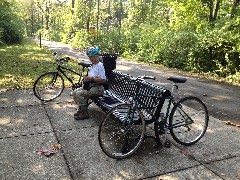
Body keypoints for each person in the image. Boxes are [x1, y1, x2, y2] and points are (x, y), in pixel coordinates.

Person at [72, 46, 106, 120]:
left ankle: (84, 114)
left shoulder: (100, 66)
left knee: (79, 94)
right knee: (74, 92)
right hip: (90, 86)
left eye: (91, 57)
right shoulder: (93, 65)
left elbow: (103, 80)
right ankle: (81, 110)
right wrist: (86, 78)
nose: (89, 59)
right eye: (89, 57)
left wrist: (91, 78)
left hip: (98, 88)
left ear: (96, 57)